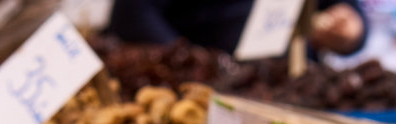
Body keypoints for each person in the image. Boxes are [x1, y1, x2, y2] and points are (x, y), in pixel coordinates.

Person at [108, 0, 368, 57]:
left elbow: (348, 11)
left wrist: (353, 28)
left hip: (291, 88)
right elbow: (133, 12)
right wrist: (186, 59)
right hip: (199, 88)